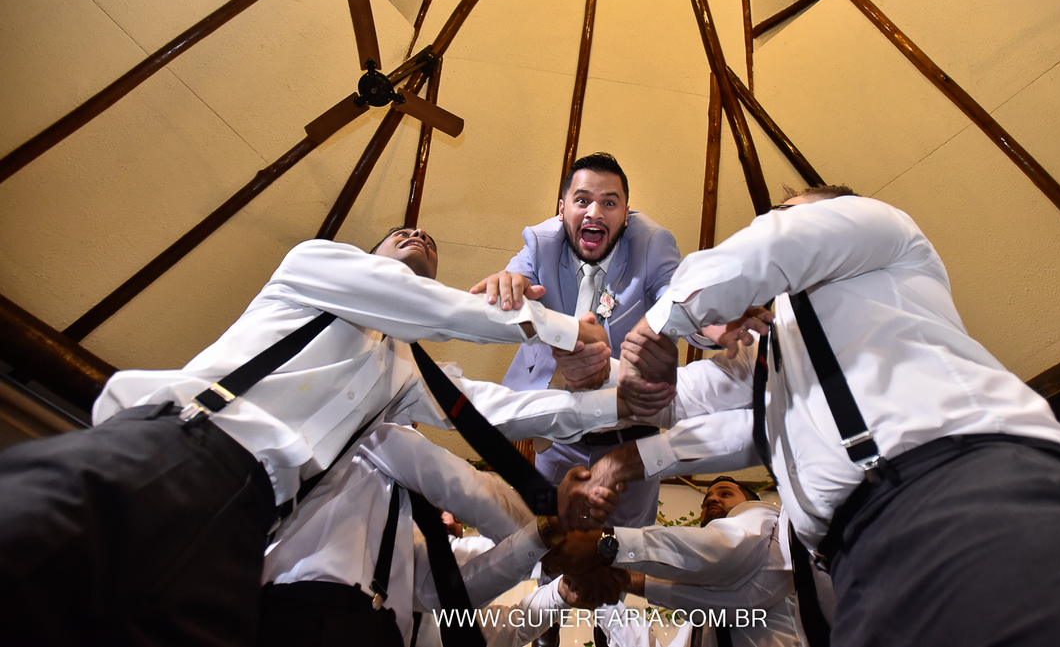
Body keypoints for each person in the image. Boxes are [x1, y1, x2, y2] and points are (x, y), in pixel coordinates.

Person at [579, 186, 1060, 646]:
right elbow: (693, 404)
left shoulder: (883, 232)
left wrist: (661, 325)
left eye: (788, 210)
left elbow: (767, 250)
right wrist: (580, 387)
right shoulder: (773, 348)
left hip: (956, 499)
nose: (768, 226)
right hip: (859, 569)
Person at [0, 225, 613, 647]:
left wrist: (618, 405)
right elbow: (446, 312)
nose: (419, 235)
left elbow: (496, 410)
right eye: (400, 234)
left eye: (428, 241)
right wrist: (564, 328)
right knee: (29, 552)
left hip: (248, 529)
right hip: (180, 450)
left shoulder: (404, 371)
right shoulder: (314, 266)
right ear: (368, 257)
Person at [471, 153, 696, 528]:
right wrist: (510, 284)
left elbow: (682, 299)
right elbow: (516, 279)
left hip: (632, 440)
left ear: (626, 214)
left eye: (610, 202)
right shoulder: (542, 243)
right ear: (562, 209)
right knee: (549, 545)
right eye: (582, 200)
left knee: (622, 556)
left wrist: (711, 313)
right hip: (558, 440)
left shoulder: (653, 245)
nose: (594, 212)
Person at [261, 423, 576, 646]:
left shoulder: (358, 468)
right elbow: (466, 490)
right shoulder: (372, 449)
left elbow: (449, 590)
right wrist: (549, 549)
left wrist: (551, 567)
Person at [544, 477, 808, 647]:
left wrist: (608, 544)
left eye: (725, 493)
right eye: (706, 501)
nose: (712, 499)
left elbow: (724, 552)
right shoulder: (697, 617)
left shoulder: (764, 520)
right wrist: (605, 593)